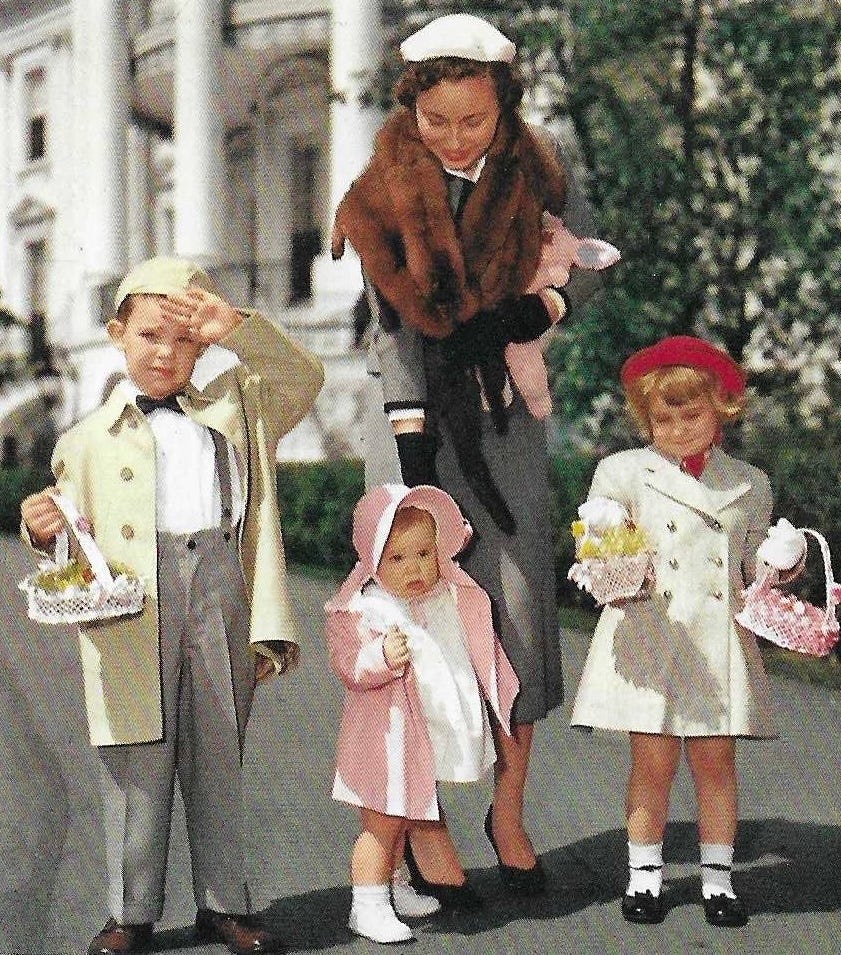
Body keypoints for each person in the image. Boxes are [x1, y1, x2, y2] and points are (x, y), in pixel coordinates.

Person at [331, 12, 608, 897]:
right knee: (414, 620)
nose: (454, 139)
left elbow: (592, 260)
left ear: (504, 109)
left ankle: (508, 809)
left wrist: (544, 308)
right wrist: (413, 464)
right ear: (411, 108)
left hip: (502, 416)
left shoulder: (542, 168)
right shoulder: (382, 187)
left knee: (516, 613)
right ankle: (425, 826)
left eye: (473, 121)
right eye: (436, 121)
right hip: (409, 414)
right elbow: (391, 331)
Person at [20, 256, 324, 955]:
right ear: (117, 335)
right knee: (135, 756)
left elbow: (303, 376)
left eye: (186, 338)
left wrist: (236, 328)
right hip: (133, 602)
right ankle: (129, 912)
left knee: (219, 748)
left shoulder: (239, 403)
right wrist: (46, 532)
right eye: (151, 335)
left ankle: (225, 903)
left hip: (219, 582)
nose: (167, 353)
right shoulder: (84, 439)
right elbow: (74, 547)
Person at [570, 335, 803, 928]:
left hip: (716, 641)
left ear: (722, 409)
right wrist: (603, 538)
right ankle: (643, 876)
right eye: (663, 419)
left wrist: (783, 559)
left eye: (691, 415)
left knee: (715, 763)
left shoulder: (748, 482)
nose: (677, 430)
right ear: (645, 419)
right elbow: (601, 539)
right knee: (652, 762)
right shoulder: (622, 472)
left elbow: (752, 569)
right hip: (652, 632)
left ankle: (718, 880)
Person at [325, 483, 519, 942]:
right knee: (381, 823)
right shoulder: (366, 609)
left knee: (404, 814)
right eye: (397, 558)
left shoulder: (440, 598)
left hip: (415, 738)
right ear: (373, 559)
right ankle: (366, 904)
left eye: (424, 554)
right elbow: (349, 664)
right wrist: (381, 656)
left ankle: (395, 886)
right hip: (383, 739)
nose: (414, 568)